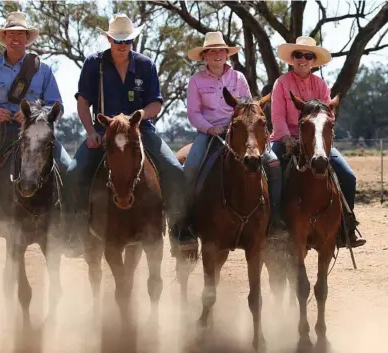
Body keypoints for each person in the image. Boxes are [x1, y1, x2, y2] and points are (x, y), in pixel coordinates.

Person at [63, 14, 198, 257]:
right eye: (117, 40)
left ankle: (180, 229)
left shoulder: (145, 65)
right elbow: (83, 104)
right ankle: (74, 230)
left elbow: (156, 104)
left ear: (133, 40)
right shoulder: (95, 64)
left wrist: (141, 114)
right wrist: (91, 132)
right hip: (105, 133)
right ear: (108, 39)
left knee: (175, 172)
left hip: (141, 131)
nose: (122, 45)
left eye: (127, 41)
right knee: (73, 173)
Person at [0, 12, 71, 235]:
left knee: (67, 166)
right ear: (4, 37)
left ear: (27, 39)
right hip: (2, 131)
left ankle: (68, 227)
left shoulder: (43, 70)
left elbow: (57, 105)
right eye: (11, 34)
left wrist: (34, 115)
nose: (16, 39)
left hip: (36, 132)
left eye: (21, 35)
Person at [185, 31, 286, 238]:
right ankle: (185, 221)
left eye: (221, 50)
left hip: (240, 130)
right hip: (210, 132)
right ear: (205, 55)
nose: (217, 54)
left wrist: (247, 124)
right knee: (190, 166)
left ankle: (275, 217)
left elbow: (249, 106)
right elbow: (193, 113)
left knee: (274, 163)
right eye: (212, 51)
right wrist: (209, 128)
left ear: (226, 53)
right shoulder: (196, 81)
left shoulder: (238, 77)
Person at [270, 36, 365, 247]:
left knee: (348, 177)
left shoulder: (321, 85)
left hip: (316, 142)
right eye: (298, 55)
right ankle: (273, 224)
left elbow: (328, 117)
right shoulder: (281, 84)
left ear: (313, 60)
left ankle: (346, 226)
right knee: (271, 170)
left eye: (308, 55)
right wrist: (287, 138)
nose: (302, 59)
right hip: (285, 140)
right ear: (292, 59)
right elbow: (277, 117)